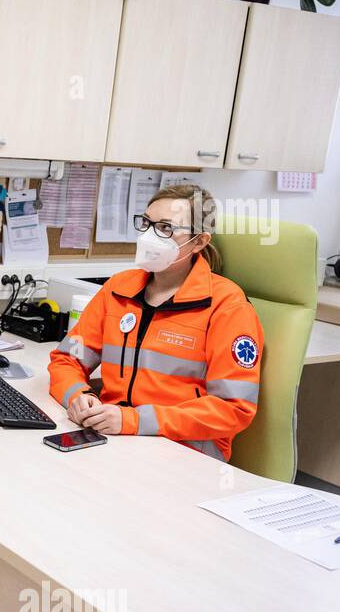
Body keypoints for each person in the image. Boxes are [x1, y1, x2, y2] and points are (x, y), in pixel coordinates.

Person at [48, 184, 263, 463]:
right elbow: (67, 360)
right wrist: (78, 396)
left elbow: (233, 408)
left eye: (165, 228)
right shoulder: (118, 289)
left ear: (199, 241)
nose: (150, 236)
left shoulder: (227, 306)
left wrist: (135, 421)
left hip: (186, 452)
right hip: (117, 440)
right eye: (147, 223)